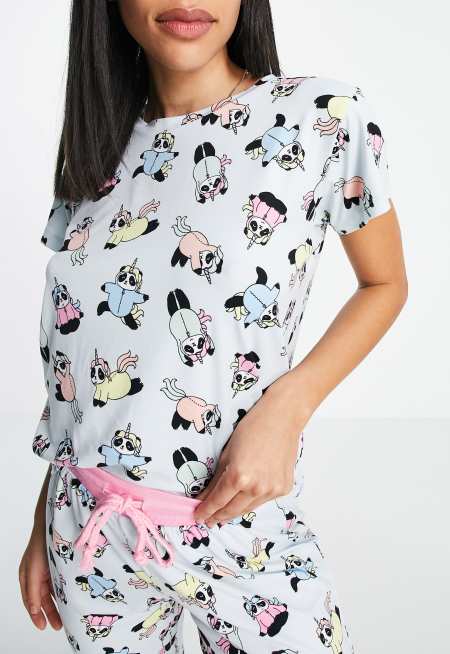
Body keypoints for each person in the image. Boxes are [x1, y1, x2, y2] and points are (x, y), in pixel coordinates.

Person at [19, 1, 408, 652]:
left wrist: (286, 409)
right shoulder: (95, 150)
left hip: (241, 531)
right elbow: (81, 358)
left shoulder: (320, 116)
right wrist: (45, 516)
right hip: (88, 533)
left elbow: (385, 284)